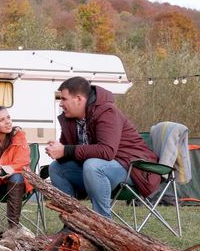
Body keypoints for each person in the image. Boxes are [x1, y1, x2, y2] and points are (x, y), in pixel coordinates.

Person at [45, 76, 160, 218]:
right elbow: (70, 154)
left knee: (93, 165)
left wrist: (65, 150)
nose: (61, 104)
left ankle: (102, 224)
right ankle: (72, 223)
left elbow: (107, 151)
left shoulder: (107, 112)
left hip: (133, 168)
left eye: (64, 99)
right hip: (99, 171)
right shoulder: (70, 119)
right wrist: (58, 150)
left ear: (79, 99)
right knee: (56, 168)